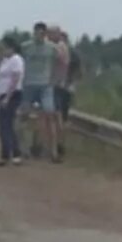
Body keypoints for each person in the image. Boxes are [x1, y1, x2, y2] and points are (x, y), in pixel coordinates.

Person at [21, 21, 60, 161]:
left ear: (45, 34)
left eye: (42, 33)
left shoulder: (52, 48)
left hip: (45, 85)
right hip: (29, 84)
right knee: (24, 115)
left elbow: (59, 63)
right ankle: (24, 148)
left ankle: (53, 151)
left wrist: (54, 80)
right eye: (37, 33)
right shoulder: (25, 47)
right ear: (34, 33)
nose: (39, 36)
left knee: (50, 115)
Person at [0, 37, 24, 167]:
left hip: (12, 94)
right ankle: (9, 154)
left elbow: (15, 79)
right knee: (4, 126)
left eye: (5, 48)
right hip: (2, 94)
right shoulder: (5, 61)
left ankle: (12, 154)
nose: (3, 50)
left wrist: (8, 97)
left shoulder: (16, 60)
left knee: (7, 125)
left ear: (11, 48)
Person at [50, 25, 72, 161]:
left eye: (51, 34)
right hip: (58, 86)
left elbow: (59, 61)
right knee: (56, 118)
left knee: (56, 117)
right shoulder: (60, 46)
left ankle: (58, 147)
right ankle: (57, 146)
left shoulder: (59, 47)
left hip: (57, 86)